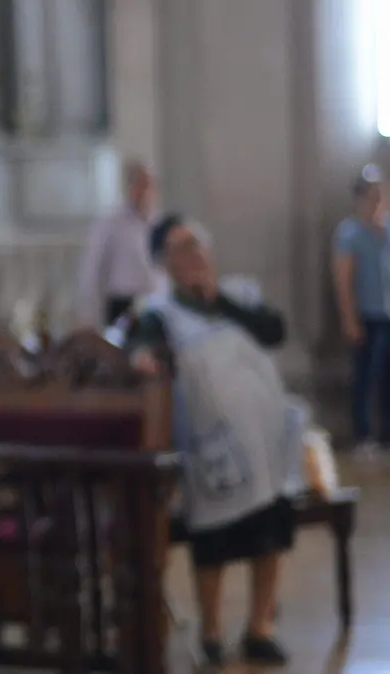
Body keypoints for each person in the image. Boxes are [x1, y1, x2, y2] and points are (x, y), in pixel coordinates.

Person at [129, 214, 299, 669]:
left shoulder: (239, 294)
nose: (193, 255)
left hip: (267, 442)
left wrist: (218, 298)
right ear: (165, 262)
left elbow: (274, 331)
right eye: (181, 248)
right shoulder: (160, 312)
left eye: (197, 245)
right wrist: (141, 356)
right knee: (214, 540)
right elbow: (140, 345)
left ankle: (260, 628)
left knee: (270, 535)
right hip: (212, 450)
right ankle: (211, 633)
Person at [331, 166, 390, 456]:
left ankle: (386, 435)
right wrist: (349, 319)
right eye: (373, 195)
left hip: (387, 314)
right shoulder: (349, 233)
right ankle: (363, 436)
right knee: (365, 377)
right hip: (366, 315)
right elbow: (343, 279)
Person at [77, 160, 161, 327]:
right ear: (129, 186)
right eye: (139, 184)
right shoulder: (110, 222)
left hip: (153, 299)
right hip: (123, 301)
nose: (144, 191)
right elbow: (93, 268)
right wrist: (88, 313)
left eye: (148, 185)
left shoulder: (157, 222)